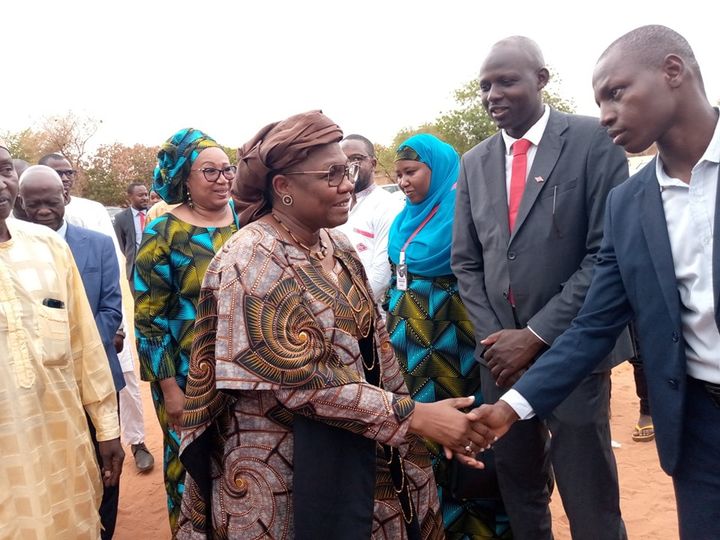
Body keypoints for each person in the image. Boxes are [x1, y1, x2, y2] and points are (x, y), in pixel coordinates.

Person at [175, 111, 493, 539]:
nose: (348, 183)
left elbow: (377, 349)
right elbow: (299, 384)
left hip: (355, 447)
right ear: (283, 187)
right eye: (333, 174)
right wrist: (414, 416)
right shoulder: (251, 260)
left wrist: (422, 427)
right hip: (285, 469)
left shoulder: (334, 244)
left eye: (350, 170)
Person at [473, 25, 720, 540]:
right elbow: (593, 325)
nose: (605, 113)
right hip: (698, 426)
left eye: (617, 92)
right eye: (598, 100)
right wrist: (509, 408)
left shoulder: (588, 150)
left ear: (672, 72)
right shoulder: (631, 205)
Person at [451, 36, 629, 539]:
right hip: (499, 361)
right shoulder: (474, 162)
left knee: (589, 494)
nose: (493, 95)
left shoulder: (595, 141)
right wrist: (496, 341)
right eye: (485, 86)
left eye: (506, 81)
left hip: (571, 353)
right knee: (521, 489)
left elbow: (604, 254)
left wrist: (534, 335)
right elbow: (466, 262)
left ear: (542, 79)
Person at [388, 133, 509, 539]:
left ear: (437, 170)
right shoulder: (404, 217)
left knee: (463, 432)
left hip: (453, 343)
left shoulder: (463, 211)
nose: (404, 182)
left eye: (412, 172)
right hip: (409, 346)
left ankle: (476, 528)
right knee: (420, 434)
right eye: (399, 174)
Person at [0, 140, 124, 538]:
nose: (1, 183)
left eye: (4, 169)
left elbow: (84, 344)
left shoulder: (50, 247)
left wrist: (106, 429)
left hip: (62, 446)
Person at [134, 128, 239, 533]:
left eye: (226, 169)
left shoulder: (244, 223)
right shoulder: (163, 233)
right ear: (185, 179)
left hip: (242, 373)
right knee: (190, 467)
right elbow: (149, 321)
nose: (223, 179)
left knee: (240, 463)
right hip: (185, 377)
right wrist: (169, 390)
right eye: (209, 171)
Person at [337, 134, 403, 309]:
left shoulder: (387, 205)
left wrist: (350, 308)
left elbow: (382, 274)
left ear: (373, 164)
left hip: (372, 311)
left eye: (356, 159)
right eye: (345, 161)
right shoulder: (339, 205)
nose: (350, 166)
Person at [113, 182, 150, 287]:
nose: (145, 198)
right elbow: (121, 243)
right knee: (138, 301)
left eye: (146, 194)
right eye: (140, 195)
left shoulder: (154, 213)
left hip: (156, 265)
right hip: (135, 268)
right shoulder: (121, 218)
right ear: (130, 197)